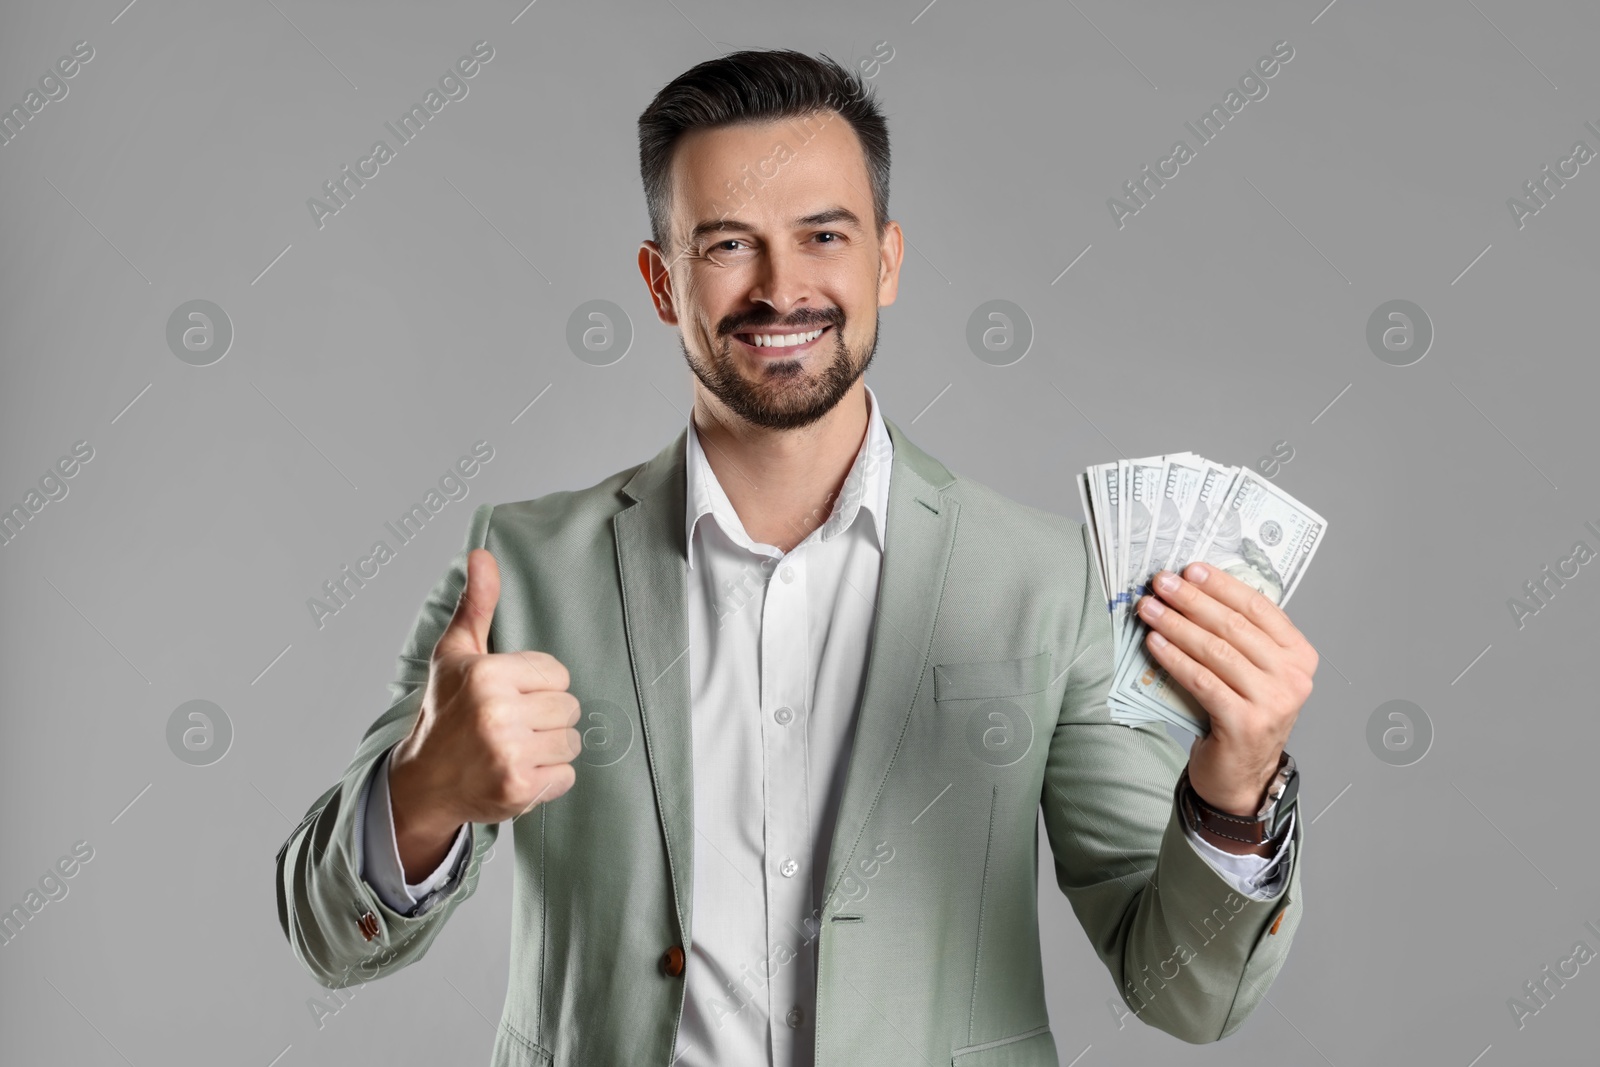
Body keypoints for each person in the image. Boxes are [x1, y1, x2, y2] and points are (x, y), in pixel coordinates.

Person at [275, 49, 1317, 1067]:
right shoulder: (522, 567)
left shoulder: (1043, 580)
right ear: (659, 280)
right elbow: (329, 932)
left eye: (823, 234)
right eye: (727, 244)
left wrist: (1234, 788)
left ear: (886, 260)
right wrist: (423, 793)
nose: (781, 289)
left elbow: (1181, 988)